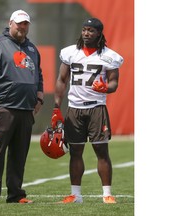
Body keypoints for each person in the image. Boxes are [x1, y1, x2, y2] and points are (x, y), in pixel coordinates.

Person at [0, 9, 44, 204]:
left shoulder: (31, 48)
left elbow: (38, 75)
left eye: (26, 24)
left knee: (19, 155)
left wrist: (39, 98)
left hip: (26, 110)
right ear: (10, 23)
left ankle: (15, 195)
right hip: (3, 108)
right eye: (19, 23)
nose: (22, 27)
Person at [51, 17, 123, 204]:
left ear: (99, 33)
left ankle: (107, 194)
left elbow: (114, 82)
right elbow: (61, 80)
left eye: (91, 30)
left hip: (96, 108)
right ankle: (76, 195)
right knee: (75, 152)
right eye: (84, 30)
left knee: (101, 150)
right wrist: (57, 106)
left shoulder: (109, 55)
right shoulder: (70, 53)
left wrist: (105, 88)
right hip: (74, 108)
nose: (86, 33)